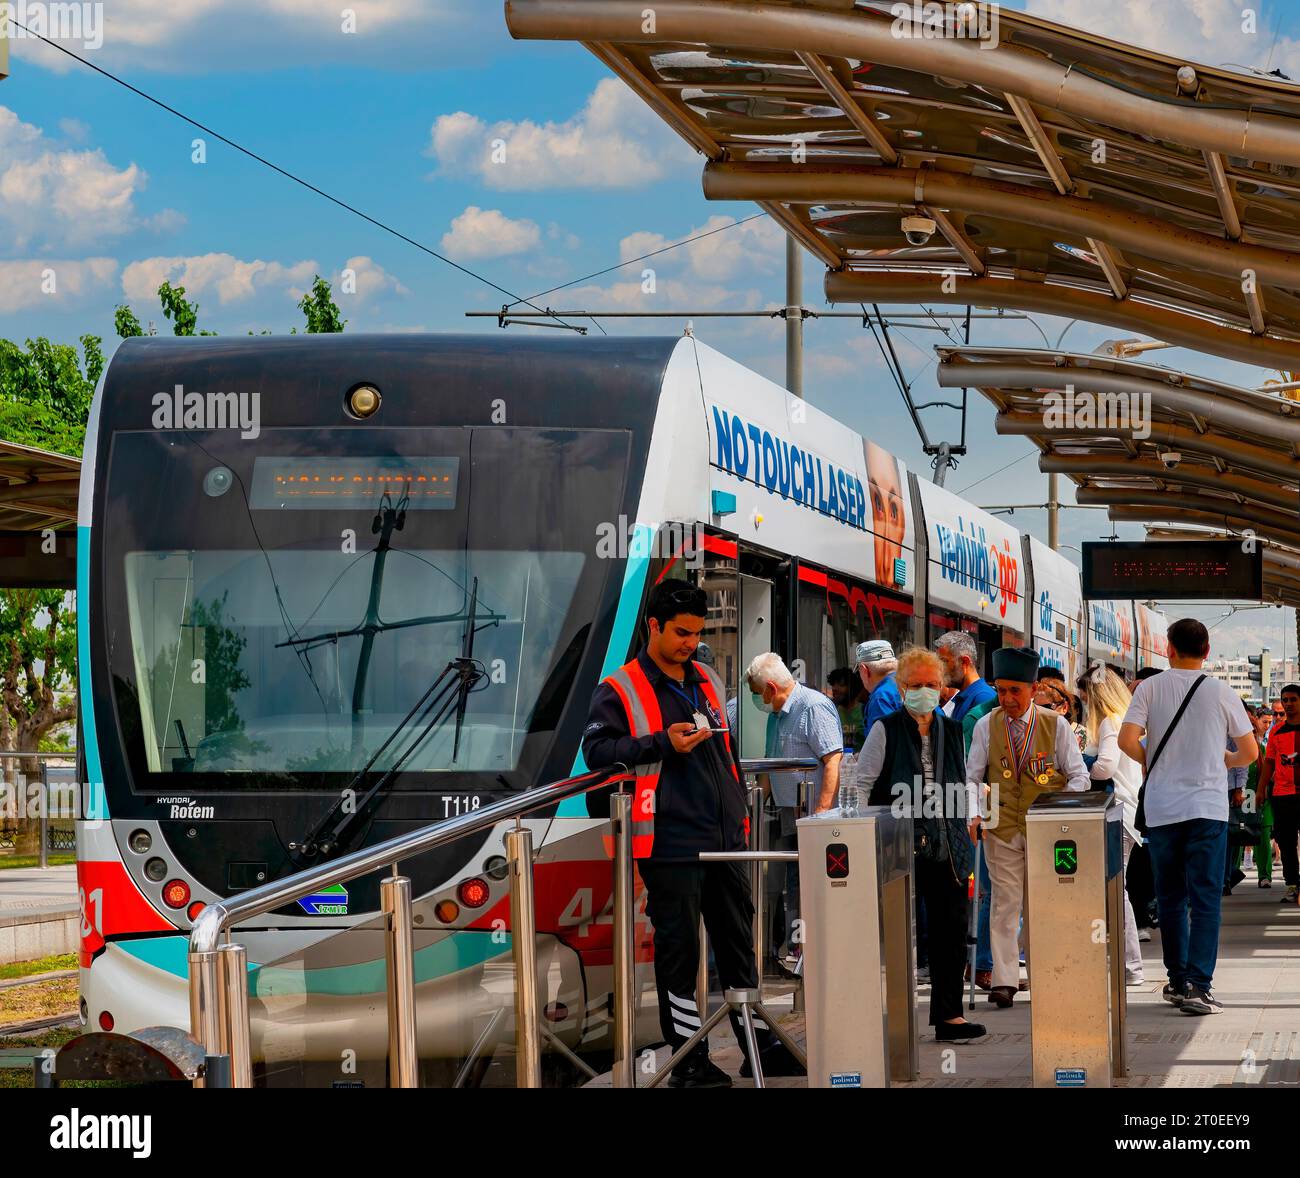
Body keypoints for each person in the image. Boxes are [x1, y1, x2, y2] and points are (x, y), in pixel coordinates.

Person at [581, 578, 802, 1087]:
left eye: (697, 633)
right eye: (681, 632)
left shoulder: (705, 677)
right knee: (678, 951)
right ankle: (687, 1056)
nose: (690, 642)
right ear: (654, 625)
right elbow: (596, 753)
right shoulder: (619, 688)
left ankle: (757, 1046)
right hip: (669, 842)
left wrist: (739, 818)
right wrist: (660, 743)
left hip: (724, 837)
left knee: (737, 942)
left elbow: (725, 754)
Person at [1119, 618, 1257, 1016]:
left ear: (1169, 648)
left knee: (1172, 898)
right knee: (1206, 898)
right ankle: (1200, 984)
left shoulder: (1149, 687)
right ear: (1208, 650)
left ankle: (1177, 980)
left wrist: (1155, 764)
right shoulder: (1221, 691)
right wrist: (1224, 758)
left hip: (1162, 810)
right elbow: (1250, 752)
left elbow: (1127, 739)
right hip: (1207, 809)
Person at [853, 646, 986, 1042]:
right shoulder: (886, 728)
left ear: (942, 687)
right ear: (901, 686)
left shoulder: (950, 728)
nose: (924, 691)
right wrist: (866, 830)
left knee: (951, 926)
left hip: (948, 842)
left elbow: (962, 779)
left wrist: (971, 817)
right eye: (915, 685)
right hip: (899, 840)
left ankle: (949, 1016)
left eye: (931, 684)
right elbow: (863, 783)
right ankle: (888, 1016)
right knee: (894, 929)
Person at [966, 645, 1090, 1008]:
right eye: (1001, 690)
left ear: (1033, 689)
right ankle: (1004, 981)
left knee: (1042, 905)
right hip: (1001, 828)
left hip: (1044, 832)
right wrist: (974, 813)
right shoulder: (986, 725)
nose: (1006, 698)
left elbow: (1079, 775)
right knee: (1005, 904)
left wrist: (1059, 807)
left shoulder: (1056, 725)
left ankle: (1045, 973)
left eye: (1014, 691)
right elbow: (972, 777)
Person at [738, 652, 843, 968]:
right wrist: (751, 808)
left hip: (811, 811)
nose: (758, 700)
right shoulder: (777, 715)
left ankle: (812, 950)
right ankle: (797, 948)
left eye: (758, 694)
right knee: (792, 884)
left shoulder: (813, 707)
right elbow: (771, 767)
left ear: (770, 687)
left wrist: (822, 812)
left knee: (809, 881)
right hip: (787, 812)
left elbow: (833, 759)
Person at [935, 630, 997, 991]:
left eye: (944, 661)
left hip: (979, 806)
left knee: (986, 887)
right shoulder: (963, 698)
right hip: (964, 804)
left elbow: (972, 763)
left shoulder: (982, 699)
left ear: (965, 661)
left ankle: (983, 964)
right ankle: (977, 962)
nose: (941, 670)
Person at [1077, 662, 1145, 985]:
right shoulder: (1126, 720)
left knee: (1115, 892)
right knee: (1117, 890)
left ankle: (1130, 964)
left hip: (1114, 814)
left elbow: (1105, 766)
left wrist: (1079, 766)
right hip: (1128, 814)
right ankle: (1127, 962)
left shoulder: (1108, 723)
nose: (1085, 706)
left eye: (1086, 699)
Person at [1259, 684, 1300, 904]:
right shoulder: (1276, 731)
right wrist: (1260, 790)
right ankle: (1292, 884)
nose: (1289, 704)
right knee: (1286, 841)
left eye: (1293, 699)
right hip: (1283, 795)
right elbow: (1269, 763)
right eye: (1285, 700)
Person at [1247, 707, 1275, 888]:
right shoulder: (1234, 746)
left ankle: (1265, 875)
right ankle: (1228, 877)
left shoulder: (1264, 747)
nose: (1267, 725)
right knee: (1237, 836)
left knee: (1263, 835)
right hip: (1242, 796)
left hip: (1261, 796)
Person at [857, 639, 903, 735]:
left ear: (864, 670)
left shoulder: (881, 697)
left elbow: (882, 745)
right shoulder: (914, 684)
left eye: (859, 672)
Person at [1034, 676, 1086, 752]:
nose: (1039, 713)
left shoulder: (1080, 734)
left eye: (1047, 708)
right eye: (1035, 708)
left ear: (1064, 708)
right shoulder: (1029, 735)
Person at [827, 666, 866, 750]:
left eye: (841, 685)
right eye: (833, 684)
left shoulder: (865, 710)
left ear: (852, 687)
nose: (835, 688)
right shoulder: (831, 711)